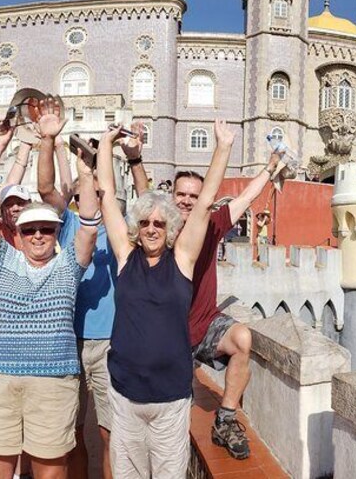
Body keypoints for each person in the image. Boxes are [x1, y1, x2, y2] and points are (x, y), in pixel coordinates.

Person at [125, 124, 274, 461]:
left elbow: (247, 198)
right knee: (170, 419)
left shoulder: (212, 224)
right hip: (167, 334)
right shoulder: (158, 228)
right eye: (182, 195)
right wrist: (136, 161)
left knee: (242, 340)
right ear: (171, 197)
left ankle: (225, 419)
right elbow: (142, 192)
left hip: (204, 324)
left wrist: (270, 166)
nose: (188, 201)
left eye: (195, 195)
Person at [99, 120, 234, 477]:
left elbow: (204, 204)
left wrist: (222, 147)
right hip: (126, 397)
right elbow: (107, 195)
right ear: (137, 228)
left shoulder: (183, 261)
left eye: (160, 223)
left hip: (171, 400)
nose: (153, 228)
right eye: (145, 223)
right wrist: (105, 144)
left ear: (171, 228)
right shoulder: (126, 259)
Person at [0, 117, 99, 479]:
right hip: (3, 379)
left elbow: (89, 223)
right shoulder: (6, 258)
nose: (38, 235)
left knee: (50, 470)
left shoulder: (69, 265)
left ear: (57, 230)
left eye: (46, 228)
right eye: (30, 229)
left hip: (54, 382)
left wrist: (85, 173)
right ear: (20, 232)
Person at [36, 108, 115, 479]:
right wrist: (48, 140)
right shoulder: (66, 221)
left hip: (109, 343)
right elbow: (45, 188)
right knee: (73, 432)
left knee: (111, 431)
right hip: (69, 341)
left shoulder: (119, 225)